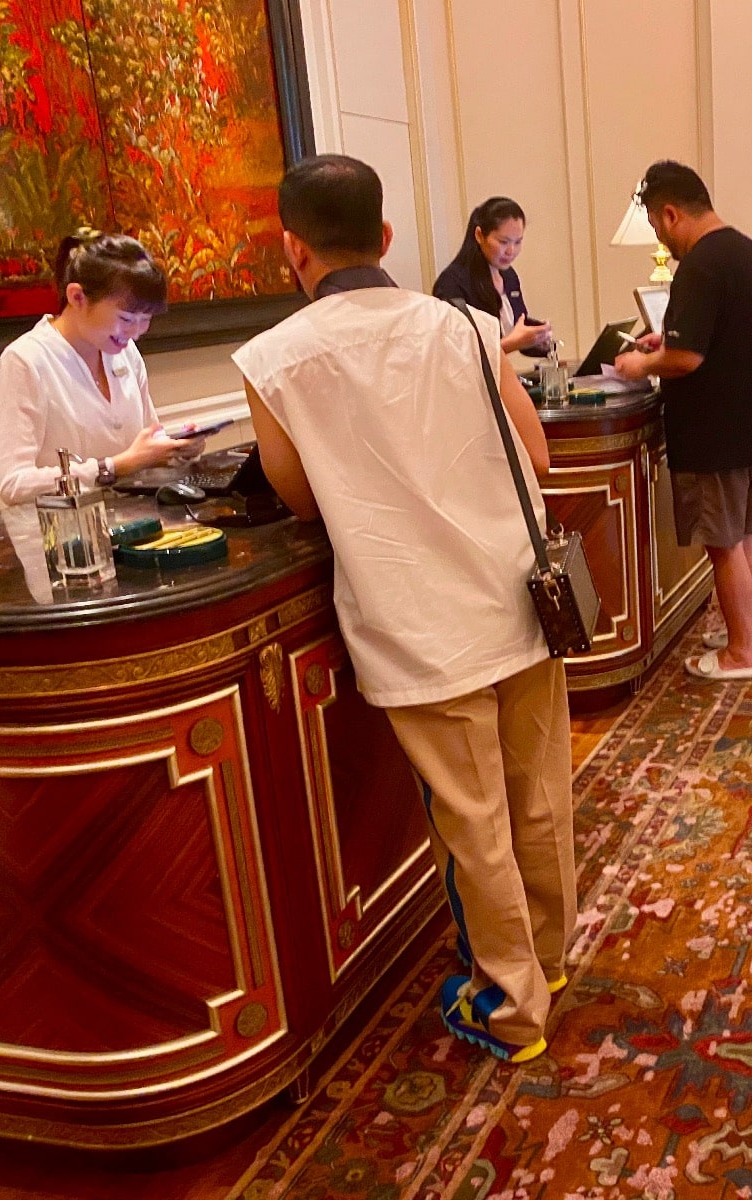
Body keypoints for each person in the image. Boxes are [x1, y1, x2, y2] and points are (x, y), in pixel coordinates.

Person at [233, 155, 572, 1065]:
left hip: (422, 617)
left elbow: (299, 496)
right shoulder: (465, 324)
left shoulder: (273, 359)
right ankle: (549, 960)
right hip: (521, 592)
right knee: (538, 795)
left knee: (475, 824)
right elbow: (532, 450)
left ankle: (510, 1007)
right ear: (384, 239)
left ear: (291, 248)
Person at [613, 161, 752, 682]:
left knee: (723, 543)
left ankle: (740, 655)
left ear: (670, 213)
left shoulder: (700, 265)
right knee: (745, 536)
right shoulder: (745, 251)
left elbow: (688, 361)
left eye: (656, 226)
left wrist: (641, 362)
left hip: (716, 431)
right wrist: (665, 343)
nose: (661, 241)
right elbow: (718, 337)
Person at [0, 229, 198, 505]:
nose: (136, 332)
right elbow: (13, 483)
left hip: (136, 523)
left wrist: (175, 449)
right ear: (77, 297)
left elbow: (146, 441)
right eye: (126, 318)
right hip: (66, 537)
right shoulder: (25, 361)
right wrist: (111, 468)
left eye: (145, 319)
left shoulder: (124, 352)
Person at [431, 196, 553, 356]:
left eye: (517, 242)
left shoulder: (509, 276)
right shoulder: (452, 283)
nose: (511, 251)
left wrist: (538, 338)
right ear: (479, 235)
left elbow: (516, 328)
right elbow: (459, 355)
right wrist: (513, 343)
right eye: (503, 242)